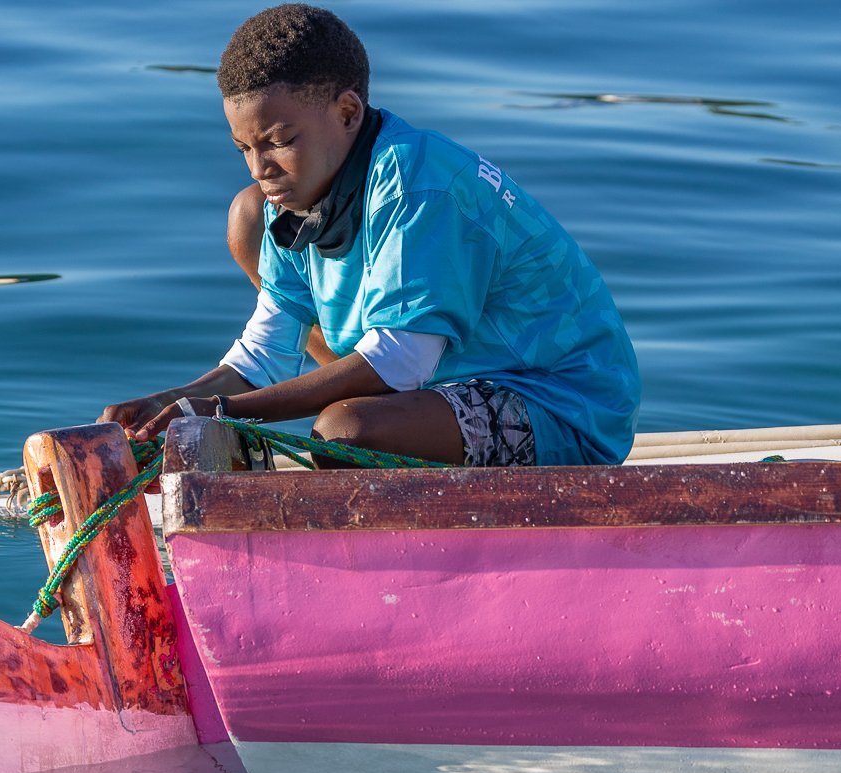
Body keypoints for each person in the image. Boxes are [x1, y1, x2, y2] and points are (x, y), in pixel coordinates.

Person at [99, 4, 640, 466]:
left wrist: (223, 415)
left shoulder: (416, 185)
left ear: (349, 112)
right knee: (249, 218)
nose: (260, 167)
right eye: (244, 148)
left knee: (346, 432)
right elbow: (263, 357)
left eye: (280, 140)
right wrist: (172, 404)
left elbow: (401, 362)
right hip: (440, 392)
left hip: (559, 407)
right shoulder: (294, 203)